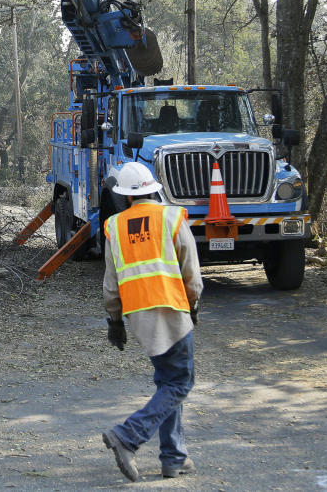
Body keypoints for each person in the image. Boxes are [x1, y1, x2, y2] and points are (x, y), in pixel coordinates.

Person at [100, 161, 202, 482]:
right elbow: (191, 272)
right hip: (172, 310)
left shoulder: (114, 227)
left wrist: (114, 320)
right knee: (180, 383)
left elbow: (110, 283)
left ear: (126, 198)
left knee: (167, 382)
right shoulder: (171, 217)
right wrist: (193, 305)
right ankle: (128, 435)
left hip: (138, 316)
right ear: (153, 188)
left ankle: (174, 457)